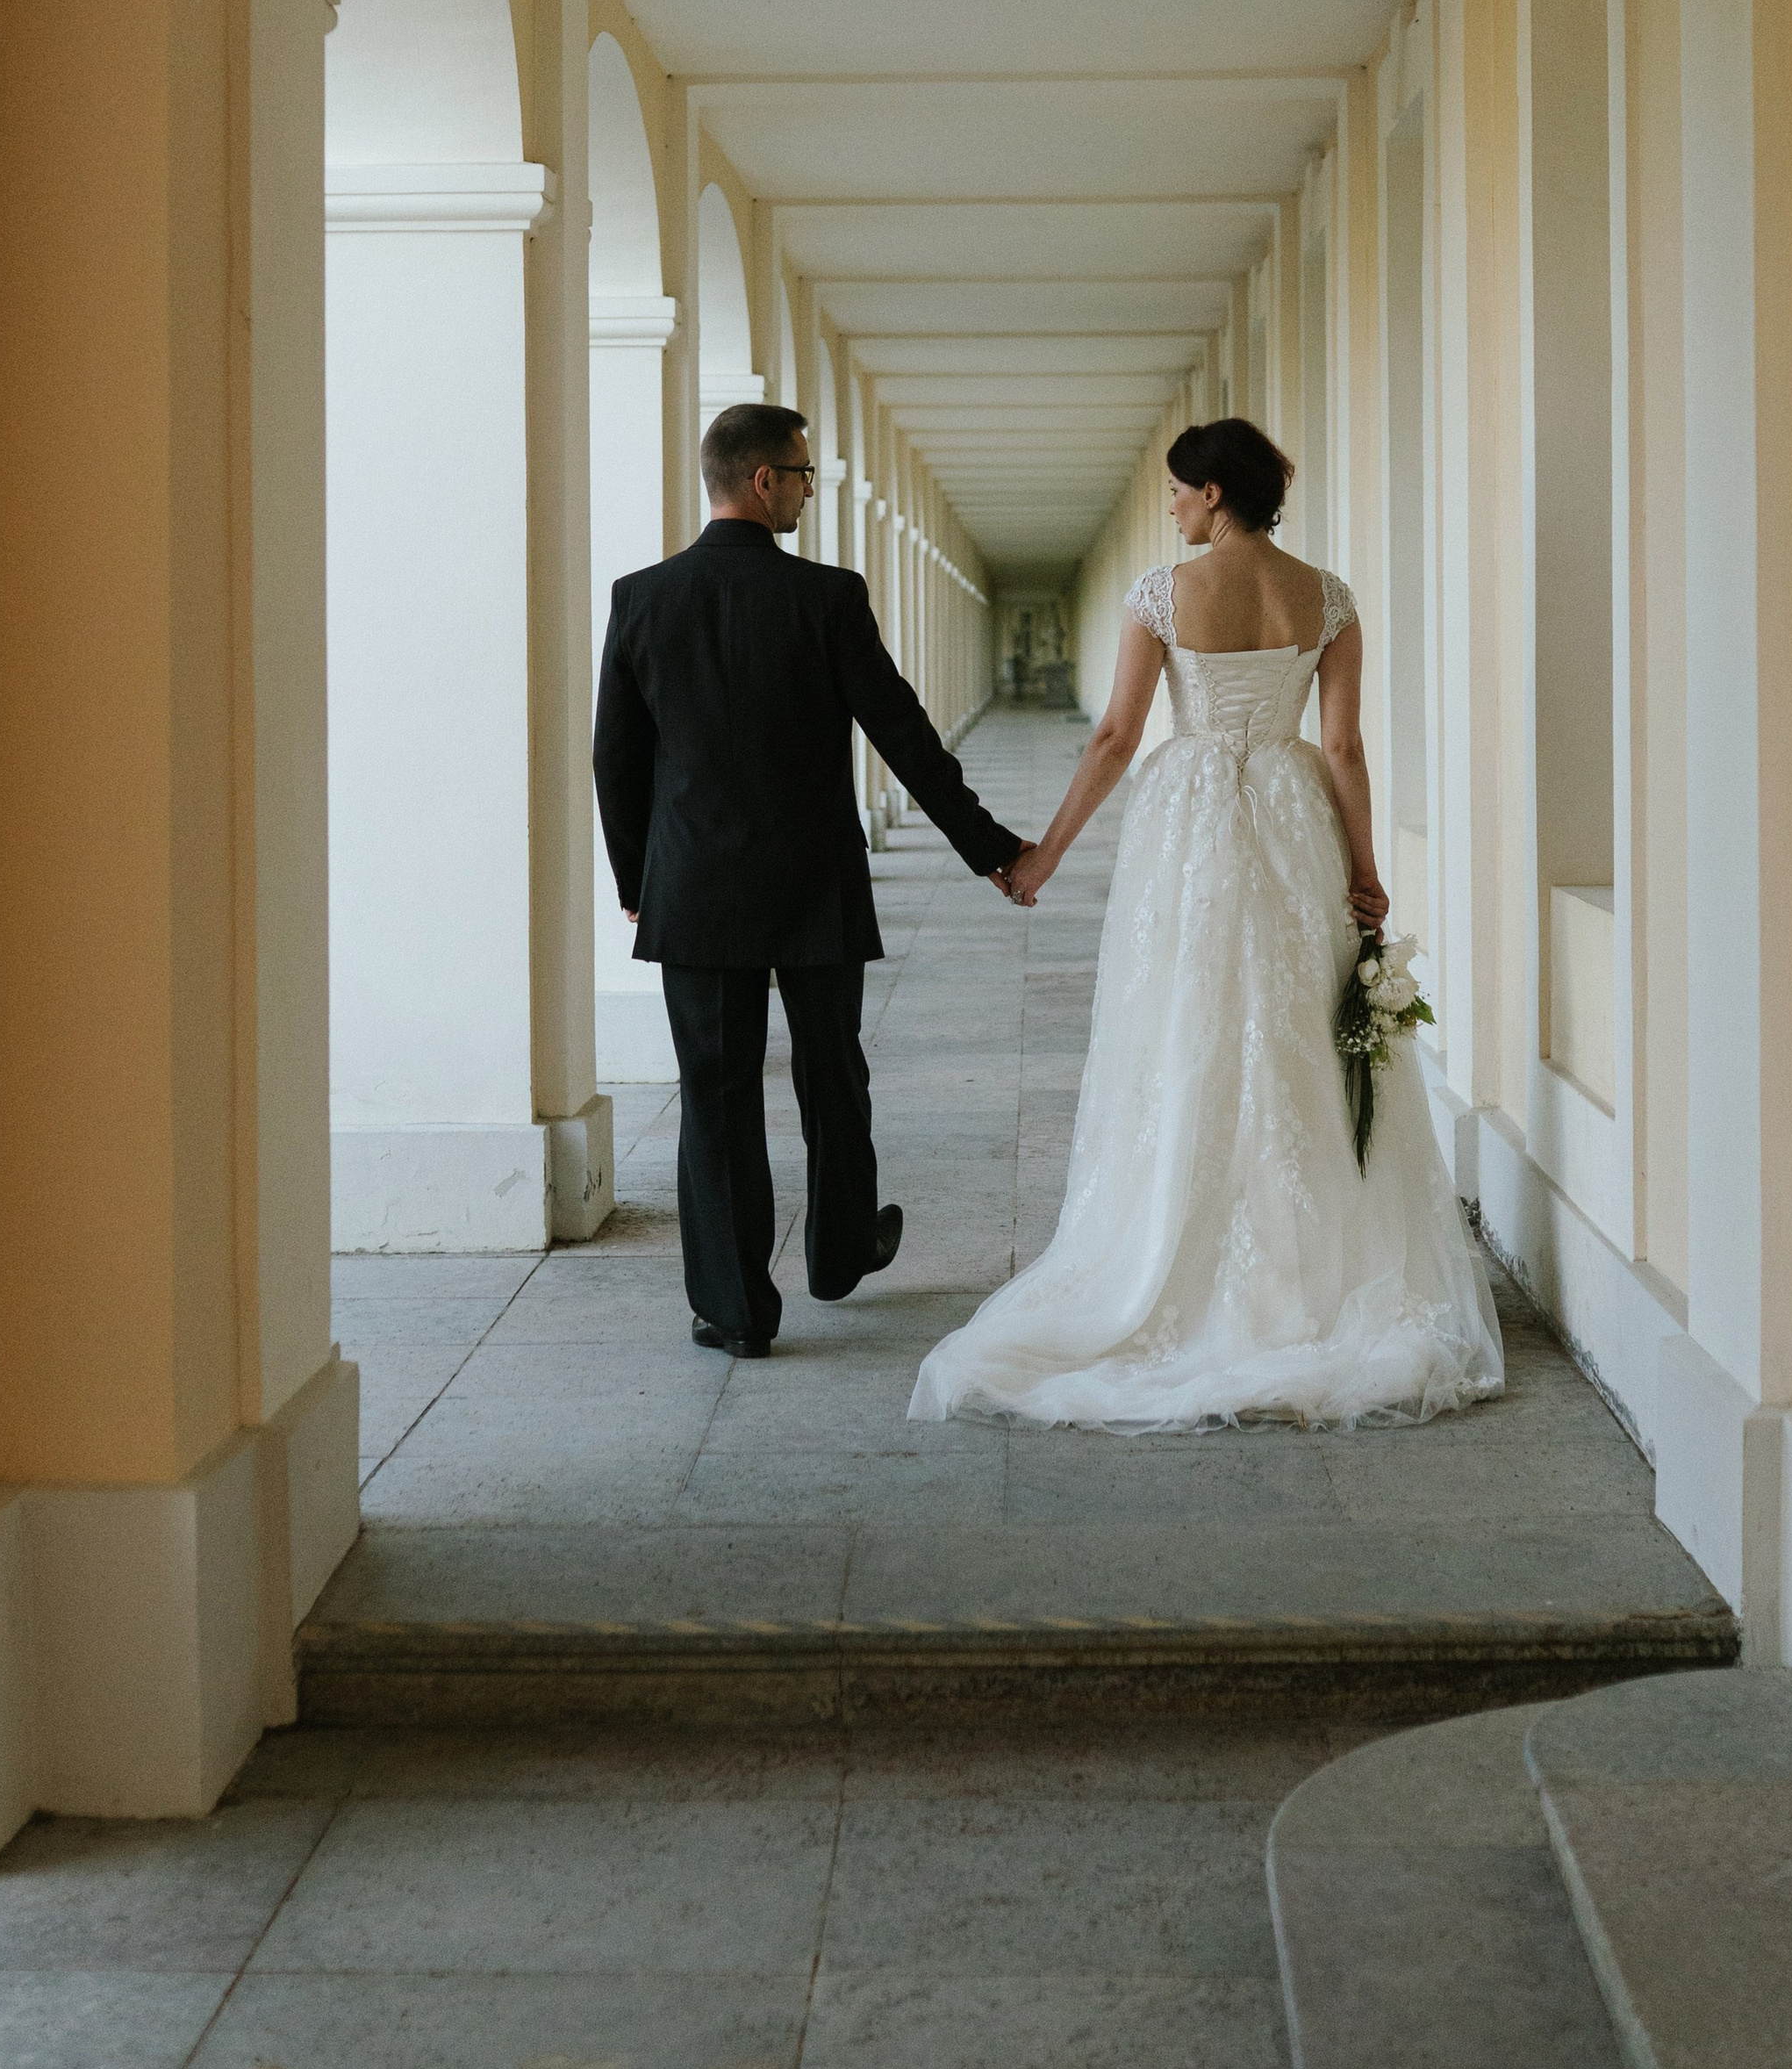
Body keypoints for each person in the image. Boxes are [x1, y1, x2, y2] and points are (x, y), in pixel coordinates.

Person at [909, 416, 1502, 1431]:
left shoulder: (1161, 594)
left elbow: (1113, 737)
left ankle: (1174, 1248)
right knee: (1292, 1026)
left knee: (1185, 1017)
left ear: (1214, 494)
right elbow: (1346, 747)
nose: (1172, 506)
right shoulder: (1329, 596)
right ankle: (1310, 1269)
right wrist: (1367, 875)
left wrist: (1043, 854)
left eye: (1180, 491)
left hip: (1189, 825)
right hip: (1291, 813)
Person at [595, 403, 1028, 1358]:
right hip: (814, 884)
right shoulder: (827, 597)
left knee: (715, 1093)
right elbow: (903, 732)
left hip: (696, 889)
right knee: (834, 1074)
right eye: (800, 473)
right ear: (761, 481)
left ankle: (736, 1309)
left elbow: (615, 759)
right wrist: (990, 847)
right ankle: (837, 1251)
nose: (805, 488)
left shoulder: (641, 597)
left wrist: (638, 879)